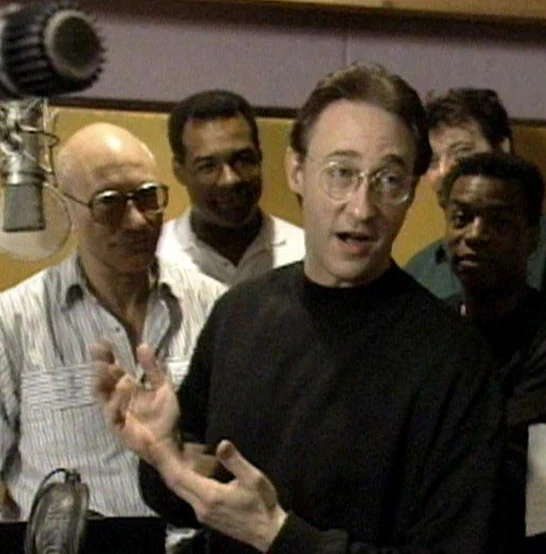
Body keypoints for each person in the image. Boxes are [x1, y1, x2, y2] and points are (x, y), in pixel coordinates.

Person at [94, 63, 503, 554]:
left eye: (389, 179)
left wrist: (277, 535)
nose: (361, 207)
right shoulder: (239, 315)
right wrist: (165, 459)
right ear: (296, 171)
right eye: (341, 173)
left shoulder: (455, 361)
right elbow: (197, 502)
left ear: (413, 190)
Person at [0, 123, 226, 519]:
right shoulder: (14, 323)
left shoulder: (216, 308)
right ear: (67, 208)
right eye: (109, 203)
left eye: (147, 197)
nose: (137, 221)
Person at [440, 151, 546, 554]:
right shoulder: (430, 327)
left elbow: (496, 472)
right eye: (461, 218)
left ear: (532, 236)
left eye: (498, 222)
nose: (475, 235)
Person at [405, 88, 546, 359]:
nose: (446, 171)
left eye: (461, 153)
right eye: (433, 161)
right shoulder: (420, 269)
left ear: (502, 149)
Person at [158, 90, 305, 286]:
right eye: (208, 167)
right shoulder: (158, 259)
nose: (229, 179)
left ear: (259, 157)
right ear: (179, 172)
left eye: (242, 160)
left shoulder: (305, 255)